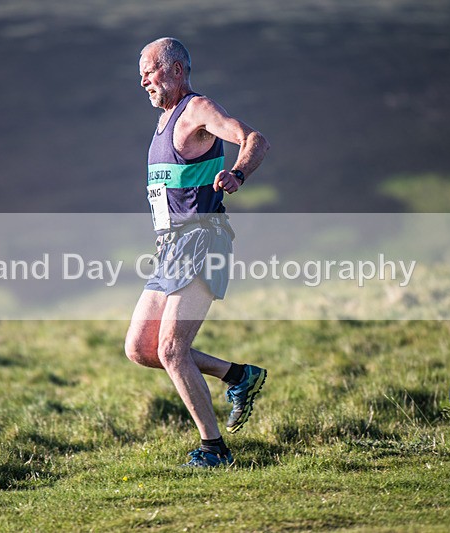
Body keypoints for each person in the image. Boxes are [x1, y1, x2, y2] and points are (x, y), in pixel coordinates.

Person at [124, 37, 271, 468]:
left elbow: (254, 139)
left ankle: (214, 450)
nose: (144, 82)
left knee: (172, 349)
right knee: (140, 348)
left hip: (203, 239)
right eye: (140, 76)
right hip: (170, 247)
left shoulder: (197, 110)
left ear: (175, 69)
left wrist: (238, 173)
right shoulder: (164, 120)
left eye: (149, 72)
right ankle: (239, 375)